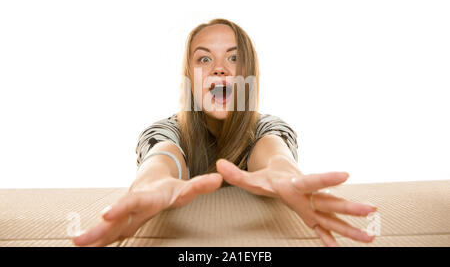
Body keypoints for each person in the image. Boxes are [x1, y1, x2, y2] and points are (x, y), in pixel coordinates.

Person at [72, 18, 378, 247]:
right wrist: (149, 187)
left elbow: (275, 154)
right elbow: (161, 157)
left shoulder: (269, 127)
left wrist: (285, 175)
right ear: (190, 77)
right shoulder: (165, 130)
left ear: (249, 73)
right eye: (204, 59)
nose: (219, 68)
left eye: (233, 57)